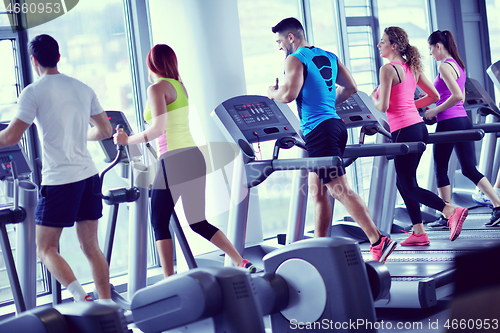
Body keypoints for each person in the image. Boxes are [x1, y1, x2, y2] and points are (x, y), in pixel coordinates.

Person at [113, 44, 256, 277]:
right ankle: (240, 260)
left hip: (174, 160)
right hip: (193, 157)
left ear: (152, 64)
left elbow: (159, 129)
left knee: (158, 221)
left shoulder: (156, 88)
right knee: (198, 221)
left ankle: (170, 280)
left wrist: (127, 140)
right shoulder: (180, 87)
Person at [267, 17, 397, 262]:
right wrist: (325, 105)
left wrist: (271, 93)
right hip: (335, 125)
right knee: (318, 192)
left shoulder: (294, 59)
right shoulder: (328, 56)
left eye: (280, 41)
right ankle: (321, 247)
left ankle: (378, 239)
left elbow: (288, 94)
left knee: (340, 189)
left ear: (291, 37)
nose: (280, 46)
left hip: (319, 131)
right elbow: (351, 88)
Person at [0, 34, 113, 302]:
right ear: (58, 57)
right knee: (91, 247)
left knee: (45, 248)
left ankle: (81, 297)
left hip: (62, 180)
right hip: (88, 175)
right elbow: (106, 130)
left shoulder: (33, 92)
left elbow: (11, 137)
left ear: (34, 60)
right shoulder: (82, 88)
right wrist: (78, 136)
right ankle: (108, 306)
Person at [370, 26, 468, 246]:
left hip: (404, 131)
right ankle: (419, 232)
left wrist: (372, 98)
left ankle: (450, 210)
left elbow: (383, 105)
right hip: (419, 129)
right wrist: (408, 105)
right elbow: (433, 96)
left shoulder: (387, 70)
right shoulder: (411, 67)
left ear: (393, 46)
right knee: (404, 183)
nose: (379, 45)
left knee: (409, 185)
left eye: (382, 41)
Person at [423, 30, 500, 228]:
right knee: (469, 169)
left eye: (431, 49)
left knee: (440, 168)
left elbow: (458, 96)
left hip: (449, 122)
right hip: (463, 121)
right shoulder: (459, 65)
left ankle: (447, 215)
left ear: (438, 46)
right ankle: (498, 206)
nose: (431, 53)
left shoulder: (443, 66)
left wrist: (434, 112)